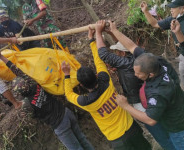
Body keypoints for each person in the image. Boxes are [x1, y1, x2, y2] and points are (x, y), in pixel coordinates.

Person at [61, 21, 151, 150]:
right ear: (96, 75)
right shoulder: (105, 79)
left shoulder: (85, 101)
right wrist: (91, 40)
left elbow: (69, 95)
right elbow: (99, 59)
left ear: (81, 85)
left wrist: (66, 75)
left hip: (117, 140)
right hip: (131, 127)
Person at [0, 50, 94, 150]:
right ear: (26, 83)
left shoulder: (27, 105)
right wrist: (1, 56)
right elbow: (16, 69)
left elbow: (31, 116)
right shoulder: (34, 84)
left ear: (18, 93)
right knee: (82, 139)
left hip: (60, 125)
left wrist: (22, 110)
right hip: (67, 113)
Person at [106, 19, 184, 150]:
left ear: (151, 75)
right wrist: (114, 31)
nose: (136, 75)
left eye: (139, 74)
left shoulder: (159, 91)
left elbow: (150, 120)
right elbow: (131, 46)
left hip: (178, 128)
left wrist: (125, 106)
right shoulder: (155, 61)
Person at [141, 0, 184, 90]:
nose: (171, 10)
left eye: (173, 8)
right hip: (182, 53)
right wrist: (146, 11)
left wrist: (178, 33)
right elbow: (155, 24)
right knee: (182, 71)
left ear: (182, 9)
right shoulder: (174, 19)